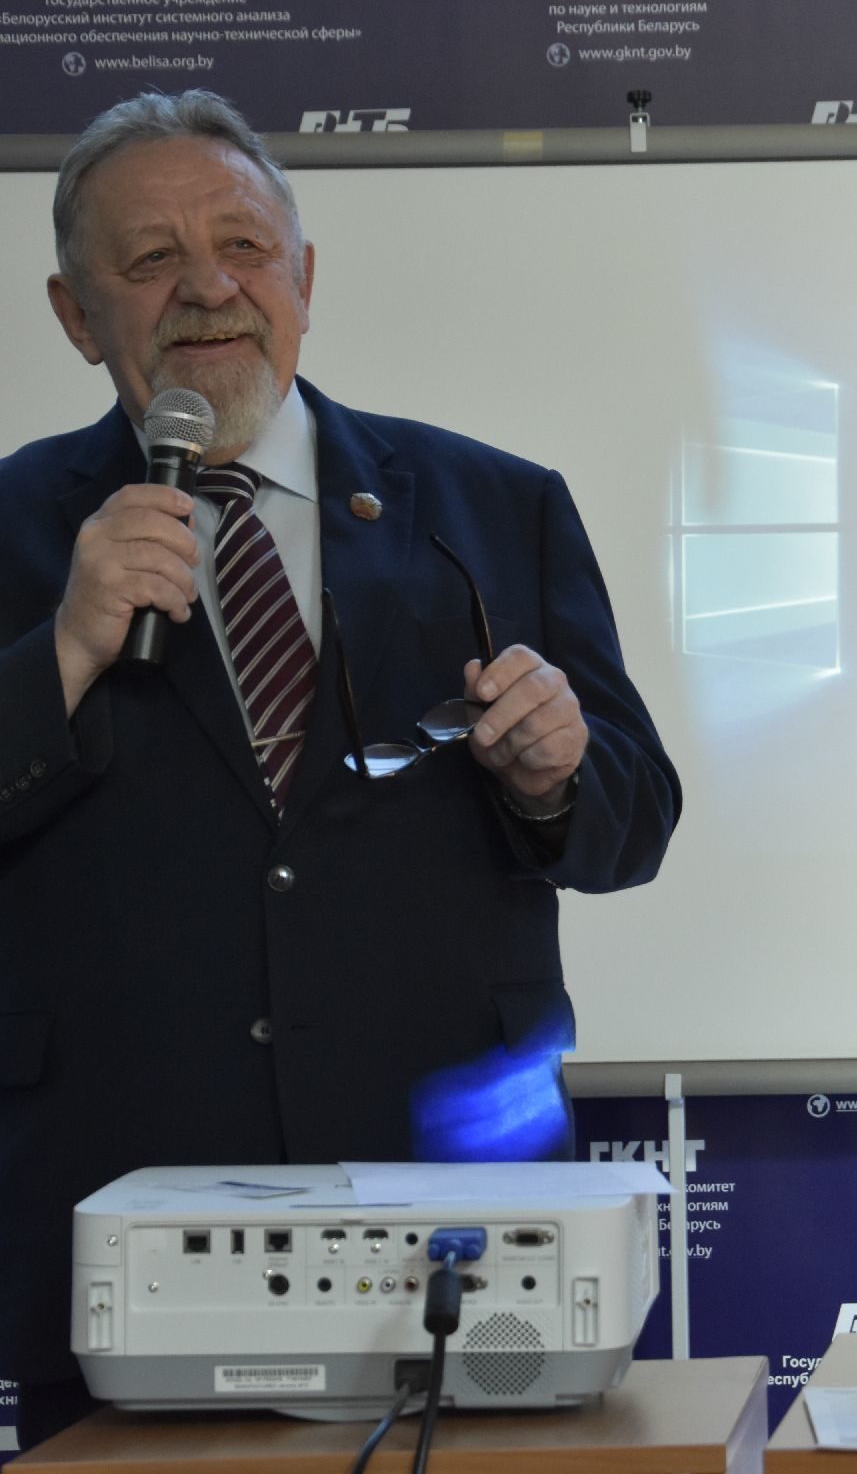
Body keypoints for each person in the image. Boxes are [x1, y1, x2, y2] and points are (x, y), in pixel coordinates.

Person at [0, 90, 680, 1444]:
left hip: (458, 1212)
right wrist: (64, 651)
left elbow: (634, 821)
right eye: (152, 259)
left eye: (244, 247)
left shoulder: (493, 506)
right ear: (76, 315)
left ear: (303, 278)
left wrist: (555, 776)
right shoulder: (13, 525)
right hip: (122, 1226)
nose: (209, 289)